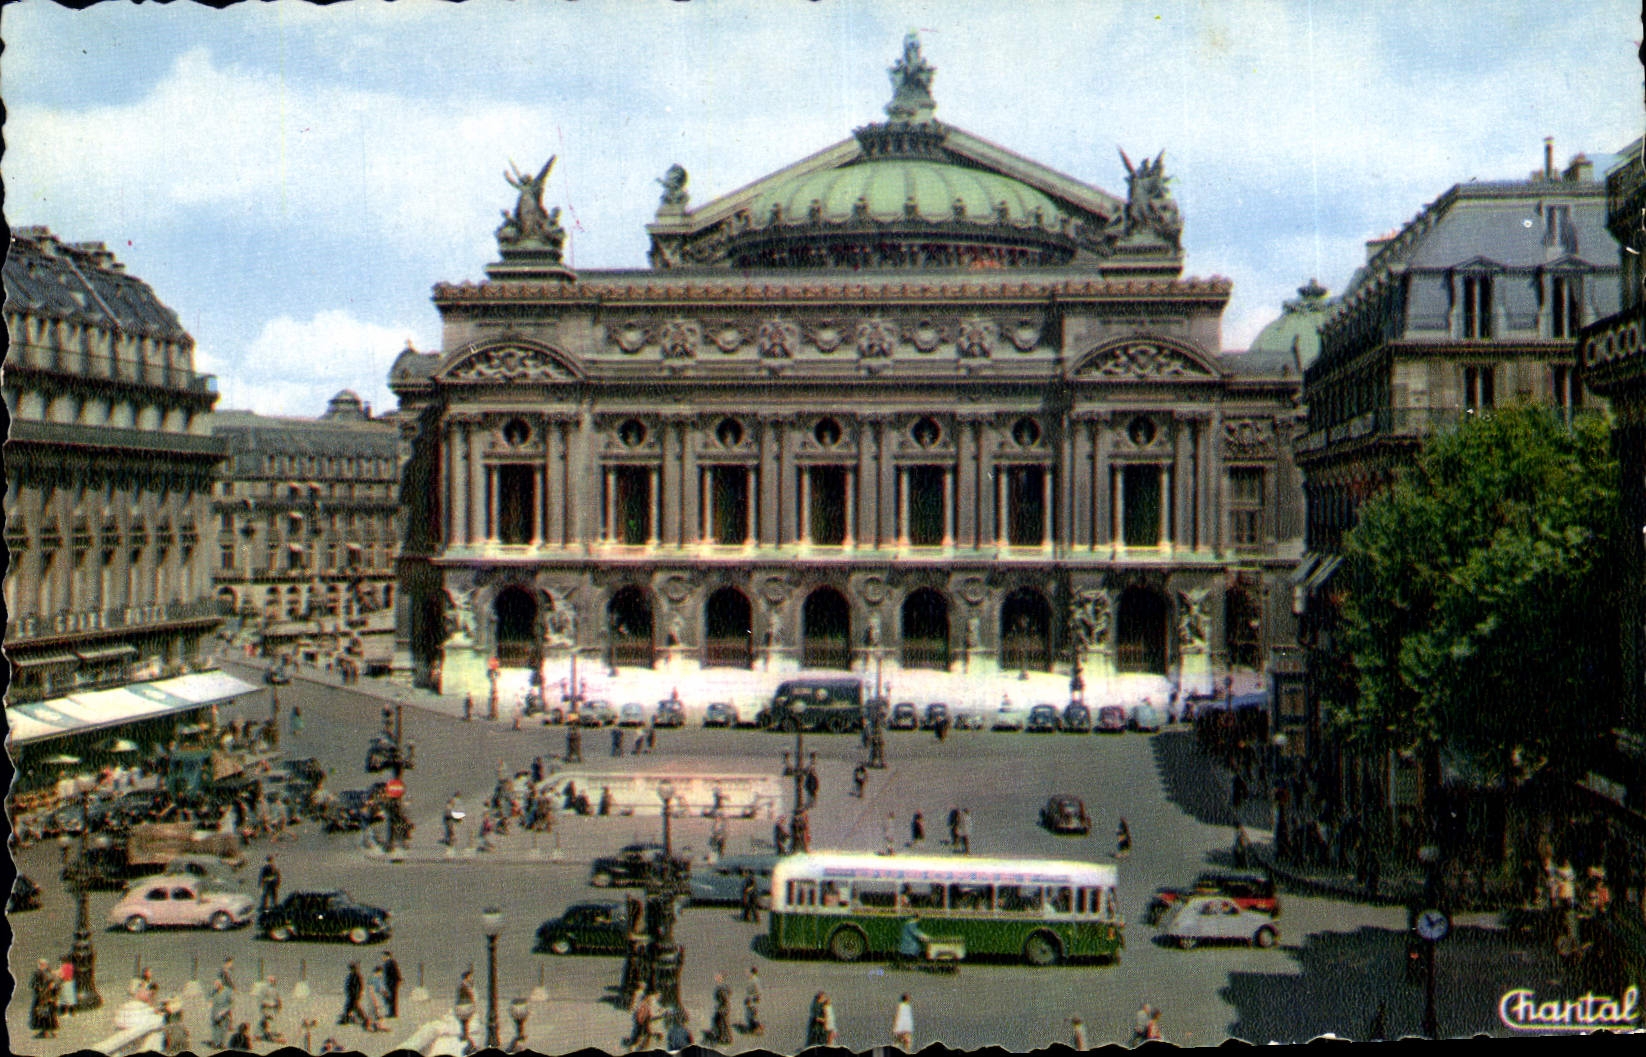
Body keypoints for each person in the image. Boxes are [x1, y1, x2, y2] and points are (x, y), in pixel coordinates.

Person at [31, 959, 60, 1038]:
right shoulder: (47, 973)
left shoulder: (39, 973)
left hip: (44, 998)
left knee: (45, 1015)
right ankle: (50, 1031)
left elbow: (34, 985)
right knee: (49, 1015)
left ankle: (47, 1032)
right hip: (48, 997)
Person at [339, 962, 368, 1027]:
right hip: (351, 995)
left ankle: (365, 1020)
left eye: (351, 968)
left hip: (355, 995)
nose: (350, 970)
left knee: (355, 1008)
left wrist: (358, 994)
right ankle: (346, 1019)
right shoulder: (351, 975)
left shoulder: (357, 976)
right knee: (350, 1008)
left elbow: (360, 987)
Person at [257, 976, 285, 1043]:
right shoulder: (265, 989)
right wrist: (263, 1007)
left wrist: (279, 1006)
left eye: (274, 981)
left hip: (272, 1008)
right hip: (267, 1008)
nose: (273, 982)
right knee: (267, 1021)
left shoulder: (274, 989)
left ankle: (272, 1033)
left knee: (272, 1021)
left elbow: (278, 998)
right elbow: (261, 1000)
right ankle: (266, 1035)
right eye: (271, 981)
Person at [710, 973, 733, 1045]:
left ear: (721, 978)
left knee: (723, 1023)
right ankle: (721, 1037)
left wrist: (721, 1006)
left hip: (722, 1007)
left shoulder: (722, 987)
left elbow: (724, 997)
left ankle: (725, 1038)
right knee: (718, 1022)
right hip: (722, 1007)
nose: (716, 978)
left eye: (717, 977)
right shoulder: (722, 986)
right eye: (716, 977)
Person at [209, 979, 234, 1048]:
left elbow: (231, 1003)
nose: (215, 987)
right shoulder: (214, 991)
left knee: (223, 1028)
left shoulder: (227, 991)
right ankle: (215, 1043)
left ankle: (222, 1043)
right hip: (215, 1012)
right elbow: (210, 999)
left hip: (224, 1012)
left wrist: (225, 1010)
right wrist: (210, 1003)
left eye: (217, 985)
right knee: (215, 1028)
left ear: (220, 985)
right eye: (215, 985)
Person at [744, 966, 764, 1036]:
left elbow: (757, 991)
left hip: (753, 1000)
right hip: (752, 999)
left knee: (752, 1016)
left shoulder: (754, 980)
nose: (747, 973)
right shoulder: (753, 980)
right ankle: (756, 1028)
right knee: (751, 1015)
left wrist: (752, 999)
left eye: (748, 972)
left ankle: (757, 1029)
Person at [381, 951, 402, 1018]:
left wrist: (397, 980)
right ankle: (392, 1012)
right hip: (392, 983)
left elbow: (394, 973)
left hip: (392, 983)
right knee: (392, 998)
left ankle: (392, 1013)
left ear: (387, 956)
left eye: (383, 956)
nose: (382, 957)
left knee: (391, 998)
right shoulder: (391, 962)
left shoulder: (389, 963)